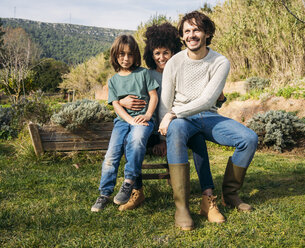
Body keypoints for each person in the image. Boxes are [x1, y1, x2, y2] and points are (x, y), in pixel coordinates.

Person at [158, 11, 258, 230]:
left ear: (207, 33)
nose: (191, 35)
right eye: (187, 31)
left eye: (196, 30)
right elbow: (165, 104)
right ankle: (182, 207)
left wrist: (174, 114)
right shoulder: (174, 62)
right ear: (182, 36)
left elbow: (207, 100)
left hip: (209, 116)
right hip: (182, 121)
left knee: (249, 139)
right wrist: (166, 121)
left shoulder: (220, 62)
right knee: (175, 132)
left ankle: (230, 195)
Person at [118, 23, 226, 224]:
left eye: (166, 53)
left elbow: (201, 98)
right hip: (152, 129)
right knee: (130, 142)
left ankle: (207, 196)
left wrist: (219, 98)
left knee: (199, 143)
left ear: (174, 52)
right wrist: (122, 101)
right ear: (151, 54)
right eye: (156, 53)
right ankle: (137, 191)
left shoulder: (184, 70)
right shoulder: (147, 75)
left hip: (180, 125)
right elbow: (127, 93)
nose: (161, 58)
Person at [91, 35, 159, 212]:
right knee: (111, 155)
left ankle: (128, 182)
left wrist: (148, 115)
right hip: (122, 123)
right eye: (121, 54)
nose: (126, 59)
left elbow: (153, 96)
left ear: (135, 55)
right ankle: (104, 194)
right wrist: (129, 120)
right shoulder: (113, 81)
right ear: (115, 55)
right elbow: (115, 105)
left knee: (135, 141)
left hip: (142, 120)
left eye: (130, 54)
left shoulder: (143, 74)